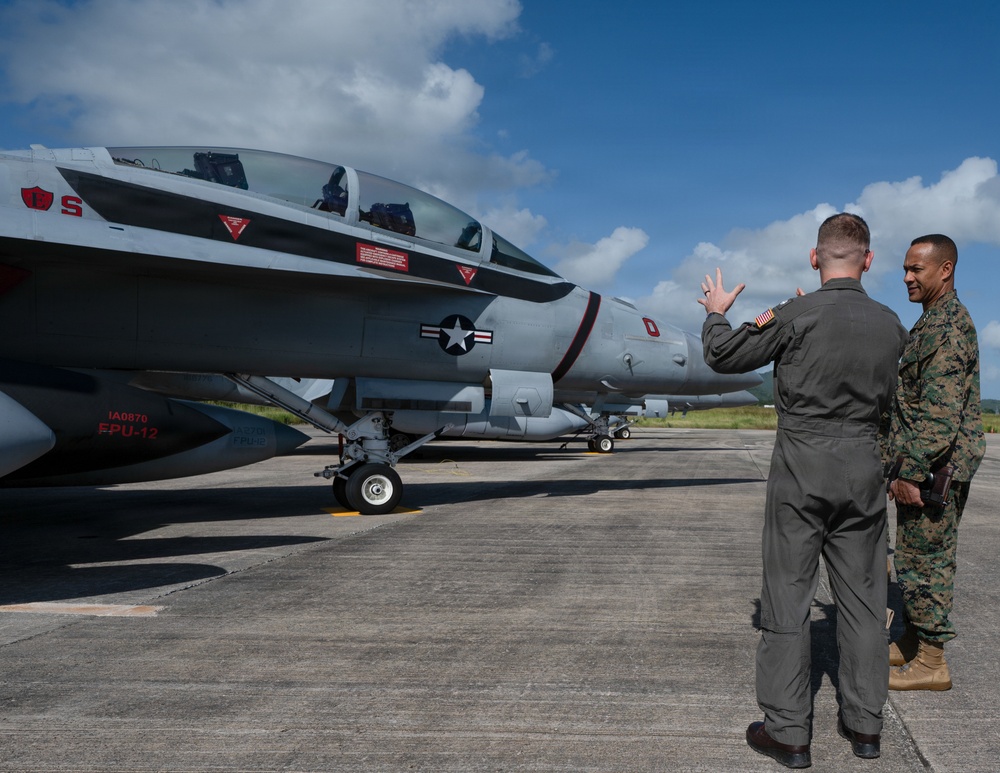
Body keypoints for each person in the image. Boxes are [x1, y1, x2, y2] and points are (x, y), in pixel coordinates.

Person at [699, 213, 907, 769]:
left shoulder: (794, 314)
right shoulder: (891, 324)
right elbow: (900, 404)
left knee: (788, 597)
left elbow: (722, 356)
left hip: (801, 467)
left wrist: (718, 313)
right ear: (868, 259)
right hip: (864, 467)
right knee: (865, 603)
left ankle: (790, 733)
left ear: (815, 259)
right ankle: (866, 728)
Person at [886, 234, 986, 691]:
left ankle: (932, 662)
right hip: (926, 462)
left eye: (916, 270)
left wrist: (910, 470)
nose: (907, 277)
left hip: (934, 468)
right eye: (905, 269)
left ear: (944, 270)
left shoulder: (947, 327)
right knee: (911, 557)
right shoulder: (930, 322)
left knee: (925, 561)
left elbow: (939, 416)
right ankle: (912, 640)